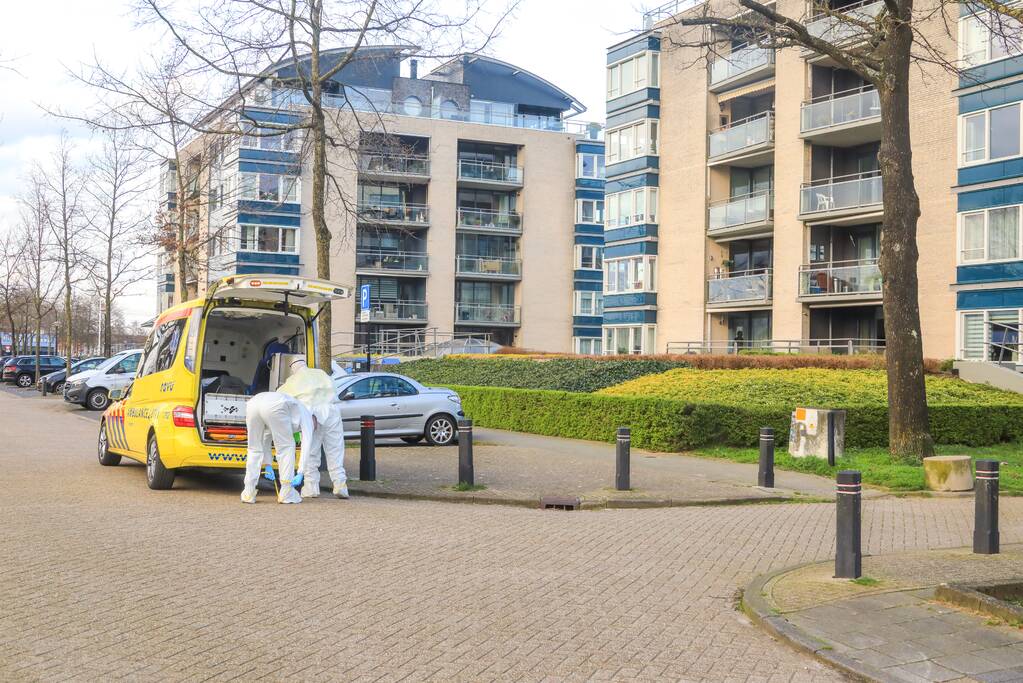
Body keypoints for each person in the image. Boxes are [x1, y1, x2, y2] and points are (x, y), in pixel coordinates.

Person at [277, 358, 349, 499]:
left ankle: (311, 487)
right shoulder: (320, 373)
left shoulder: (293, 380)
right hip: (331, 410)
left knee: (311, 451)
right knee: (335, 449)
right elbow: (334, 388)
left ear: (293, 368)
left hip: (311, 414)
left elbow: (280, 396)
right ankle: (340, 485)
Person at [241, 390, 315, 504]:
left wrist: (268, 464)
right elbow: (307, 443)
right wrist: (301, 472)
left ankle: (248, 492)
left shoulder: (293, 410)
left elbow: (266, 437)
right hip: (274, 404)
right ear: (314, 420)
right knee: (286, 447)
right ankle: (287, 492)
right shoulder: (307, 416)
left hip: (253, 403)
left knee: (254, 448)